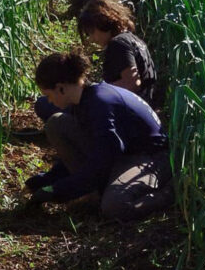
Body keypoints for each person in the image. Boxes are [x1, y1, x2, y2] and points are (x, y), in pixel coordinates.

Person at [25, 52, 173, 221]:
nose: (49, 101)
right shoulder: (84, 100)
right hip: (124, 154)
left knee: (115, 205)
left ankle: (172, 191)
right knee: (57, 123)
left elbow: (101, 163)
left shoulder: (100, 104)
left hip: (151, 158)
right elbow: (94, 153)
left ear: (61, 88)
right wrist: (43, 181)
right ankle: (93, 193)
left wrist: (58, 191)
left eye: (49, 95)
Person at [78, 0, 158, 107]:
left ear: (103, 22)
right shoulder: (133, 40)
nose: (92, 39)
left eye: (91, 32)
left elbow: (133, 84)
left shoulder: (118, 44)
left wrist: (96, 90)